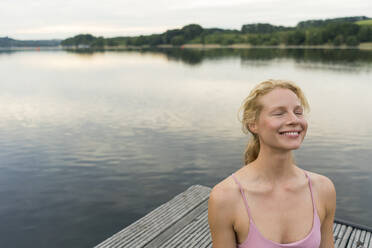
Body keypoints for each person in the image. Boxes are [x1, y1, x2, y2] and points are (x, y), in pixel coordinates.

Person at [208, 79, 336, 248]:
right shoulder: (226, 197)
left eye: (298, 112)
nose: (294, 120)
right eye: (279, 113)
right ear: (253, 124)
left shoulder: (323, 189)